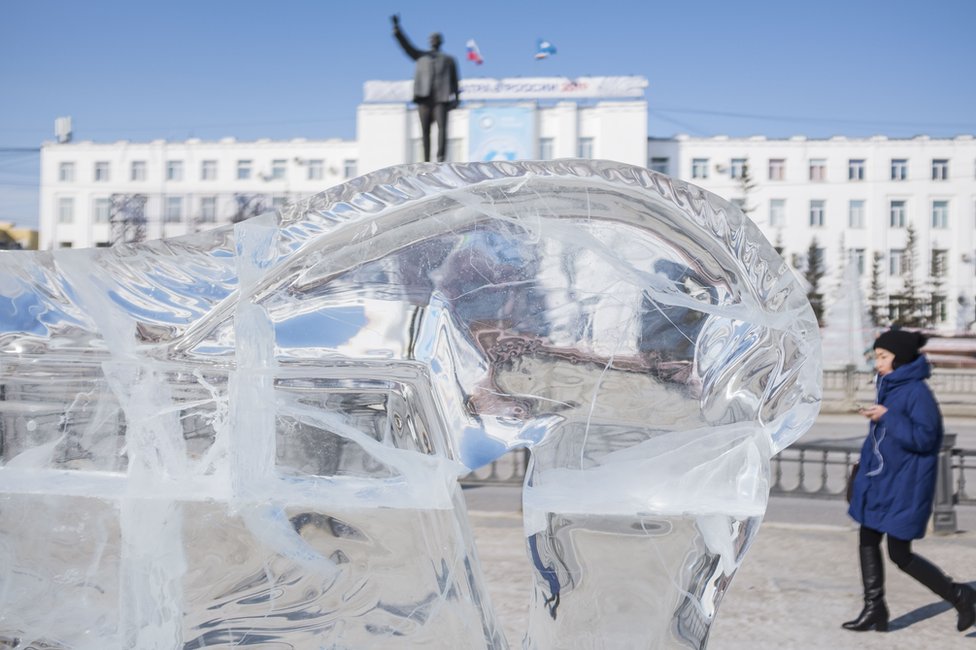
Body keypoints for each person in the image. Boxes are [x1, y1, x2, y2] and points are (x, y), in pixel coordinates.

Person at [844, 327, 975, 633]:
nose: (877, 363)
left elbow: (927, 438)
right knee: (867, 538)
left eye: (883, 357)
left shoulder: (916, 391)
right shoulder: (890, 384)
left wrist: (886, 416)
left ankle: (961, 595)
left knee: (900, 554)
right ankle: (874, 608)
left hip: (904, 485)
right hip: (882, 480)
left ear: (899, 359)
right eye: (876, 357)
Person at [391, 14, 460, 163]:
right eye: (431, 38)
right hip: (424, 98)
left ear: (440, 41)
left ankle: (441, 158)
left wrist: (457, 99)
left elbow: (455, 81)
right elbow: (406, 46)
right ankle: (426, 160)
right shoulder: (421, 56)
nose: (433, 40)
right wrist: (397, 29)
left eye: (436, 38)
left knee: (443, 129)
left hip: (441, 98)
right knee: (425, 132)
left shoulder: (449, 60)